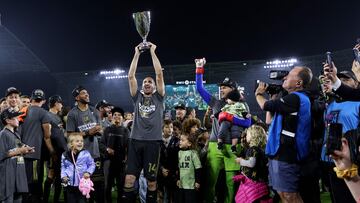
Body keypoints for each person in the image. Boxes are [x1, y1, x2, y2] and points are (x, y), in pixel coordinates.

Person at [195, 58, 251, 203]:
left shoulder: (242, 105)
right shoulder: (216, 103)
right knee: (209, 183)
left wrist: (231, 118)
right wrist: (199, 69)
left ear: (233, 89)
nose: (221, 89)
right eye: (221, 87)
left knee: (232, 184)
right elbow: (200, 89)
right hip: (214, 146)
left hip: (233, 148)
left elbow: (248, 123)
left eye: (225, 87)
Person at [255, 66, 313, 203]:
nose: (285, 77)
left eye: (290, 75)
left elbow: (265, 106)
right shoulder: (291, 100)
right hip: (278, 152)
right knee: (282, 193)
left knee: (289, 195)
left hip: (287, 154)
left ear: (299, 83)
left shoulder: (296, 98)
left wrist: (258, 94)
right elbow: (269, 120)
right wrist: (273, 97)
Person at [122, 42, 165, 203]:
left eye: (150, 82)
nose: (147, 83)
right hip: (135, 142)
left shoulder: (159, 97)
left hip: (153, 143)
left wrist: (153, 51)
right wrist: (137, 53)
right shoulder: (137, 97)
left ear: (154, 87)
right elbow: (130, 76)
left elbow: (159, 74)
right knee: (129, 180)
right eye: (145, 82)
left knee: (151, 181)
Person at [21, 89, 55, 203]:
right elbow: (47, 136)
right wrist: (52, 152)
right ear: (44, 101)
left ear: (31, 99)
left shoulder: (23, 111)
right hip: (34, 154)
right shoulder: (44, 113)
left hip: (20, 152)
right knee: (34, 184)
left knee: (24, 181)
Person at [0, 108, 35, 203]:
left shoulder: (16, 134)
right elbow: (2, 154)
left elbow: (19, 147)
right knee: (9, 198)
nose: (18, 119)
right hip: (8, 173)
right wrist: (20, 150)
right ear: (7, 120)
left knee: (18, 197)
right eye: (15, 117)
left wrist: (27, 149)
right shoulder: (3, 134)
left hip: (18, 172)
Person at [234, 125, 270, 203]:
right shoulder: (261, 149)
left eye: (248, 134)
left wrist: (241, 161)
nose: (246, 136)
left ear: (253, 135)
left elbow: (251, 163)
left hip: (253, 182)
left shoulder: (253, 149)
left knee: (248, 199)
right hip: (261, 180)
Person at [101, 107, 129, 203]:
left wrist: (127, 157)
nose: (117, 117)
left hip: (121, 162)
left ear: (122, 118)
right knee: (107, 186)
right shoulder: (107, 130)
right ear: (112, 117)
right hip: (108, 161)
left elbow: (128, 146)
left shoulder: (126, 131)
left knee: (121, 186)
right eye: (115, 115)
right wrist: (107, 149)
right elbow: (101, 144)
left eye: (119, 115)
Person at [43, 95, 67, 203]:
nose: (62, 105)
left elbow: (60, 134)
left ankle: (55, 199)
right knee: (52, 176)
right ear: (56, 103)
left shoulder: (58, 117)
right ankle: (45, 199)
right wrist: (52, 152)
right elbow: (47, 136)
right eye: (60, 103)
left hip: (61, 151)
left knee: (58, 176)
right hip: (54, 152)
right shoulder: (47, 115)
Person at [61, 133, 96, 203]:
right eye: (77, 141)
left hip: (82, 184)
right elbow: (63, 166)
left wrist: (88, 172)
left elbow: (92, 164)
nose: (80, 142)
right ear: (71, 144)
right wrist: (64, 176)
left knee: (82, 201)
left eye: (81, 141)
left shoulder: (86, 153)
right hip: (69, 184)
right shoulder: (65, 154)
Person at [158, 120, 179, 203]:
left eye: (171, 127)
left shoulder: (177, 141)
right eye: (167, 127)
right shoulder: (157, 141)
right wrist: (161, 168)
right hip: (160, 173)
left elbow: (177, 158)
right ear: (162, 128)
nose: (170, 129)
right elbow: (155, 157)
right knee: (160, 195)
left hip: (172, 173)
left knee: (171, 196)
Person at [177, 134, 202, 203]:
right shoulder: (179, 153)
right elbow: (179, 167)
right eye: (180, 140)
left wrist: (197, 181)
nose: (180, 142)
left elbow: (198, 168)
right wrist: (178, 179)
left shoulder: (193, 153)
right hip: (182, 184)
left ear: (189, 143)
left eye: (182, 140)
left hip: (190, 185)